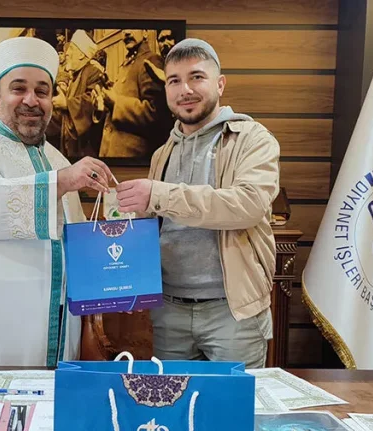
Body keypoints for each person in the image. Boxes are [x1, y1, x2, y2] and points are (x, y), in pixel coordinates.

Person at [0, 36, 113, 366]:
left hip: (62, 330)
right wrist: (63, 181)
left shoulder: (59, 160)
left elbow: (77, 246)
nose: (31, 100)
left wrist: (120, 275)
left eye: (42, 92)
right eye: (18, 89)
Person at [115, 39, 280, 368]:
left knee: (232, 402)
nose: (185, 90)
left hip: (233, 312)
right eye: (174, 81)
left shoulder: (253, 139)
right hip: (169, 312)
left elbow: (248, 205)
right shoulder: (162, 153)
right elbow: (155, 228)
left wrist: (159, 194)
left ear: (220, 84)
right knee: (173, 401)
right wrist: (132, 278)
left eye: (196, 77)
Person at [97, 29, 172, 158]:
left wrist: (116, 103)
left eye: (132, 27)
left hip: (133, 157)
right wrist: (104, 102)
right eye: (123, 29)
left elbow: (156, 114)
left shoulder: (151, 60)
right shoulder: (127, 63)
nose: (127, 32)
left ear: (145, 32)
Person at [51, 30, 106, 157]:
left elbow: (93, 102)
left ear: (81, 55)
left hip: (85, 151)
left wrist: (67, 104)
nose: (66, 53)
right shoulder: (75, 77)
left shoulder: (93, 72)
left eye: (71, 49)